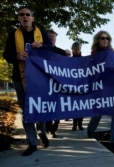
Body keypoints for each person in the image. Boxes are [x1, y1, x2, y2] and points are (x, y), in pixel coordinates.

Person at [3, 6, 50, 156]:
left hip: (40, 79)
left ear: (32, 18)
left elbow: (51, 51)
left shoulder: (41, 33)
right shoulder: (13, 35)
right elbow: (6, 55)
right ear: (18, 18)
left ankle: (41, 131)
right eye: (21, 15)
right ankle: (32, 143)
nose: (25, 17)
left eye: (28, 14)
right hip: (20, 78)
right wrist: (17, 55)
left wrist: (42, 46)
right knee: (27, 112)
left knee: (41, 109)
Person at [87, 30, 114, 148]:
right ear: (98, 40)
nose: (105, 40)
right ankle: (90, 130)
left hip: (112, 88)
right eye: (103, 38)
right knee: (98, 113)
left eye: (107, 38)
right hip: (100, 88)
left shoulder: (113, 53)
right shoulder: (94, 54)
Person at [45, 29, 71, 138]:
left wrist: (69, 57)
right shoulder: (41, 50)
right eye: (49, 36)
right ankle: (47, 127)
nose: (52, 38)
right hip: (45, 84)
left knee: (58, 108)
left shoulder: (61, 52)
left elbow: (70, 65)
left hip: (58, 85)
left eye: (53, 36)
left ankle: (54, 129)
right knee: (47, 108)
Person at [71, 42, 84, 131]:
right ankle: (74, 124)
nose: (76, 50)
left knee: (82, 107)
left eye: (78, 48)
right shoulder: (69, 60)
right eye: (75, 48)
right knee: (75, 107)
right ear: (72, 49)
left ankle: (80, 124)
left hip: (82, 85)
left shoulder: (84, 60)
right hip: (73, 86)